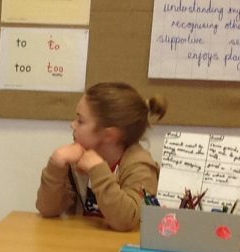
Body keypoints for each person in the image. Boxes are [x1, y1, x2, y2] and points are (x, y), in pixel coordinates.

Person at [35, 82, 167, 232]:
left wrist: (97, 170)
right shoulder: (77, 157)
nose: (72, 125)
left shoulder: (140, 166)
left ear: (109, 135)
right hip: (84, 242)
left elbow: (126, 221)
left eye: (80, 121)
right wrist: (56, 165)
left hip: (123, 244)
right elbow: (48, 210)